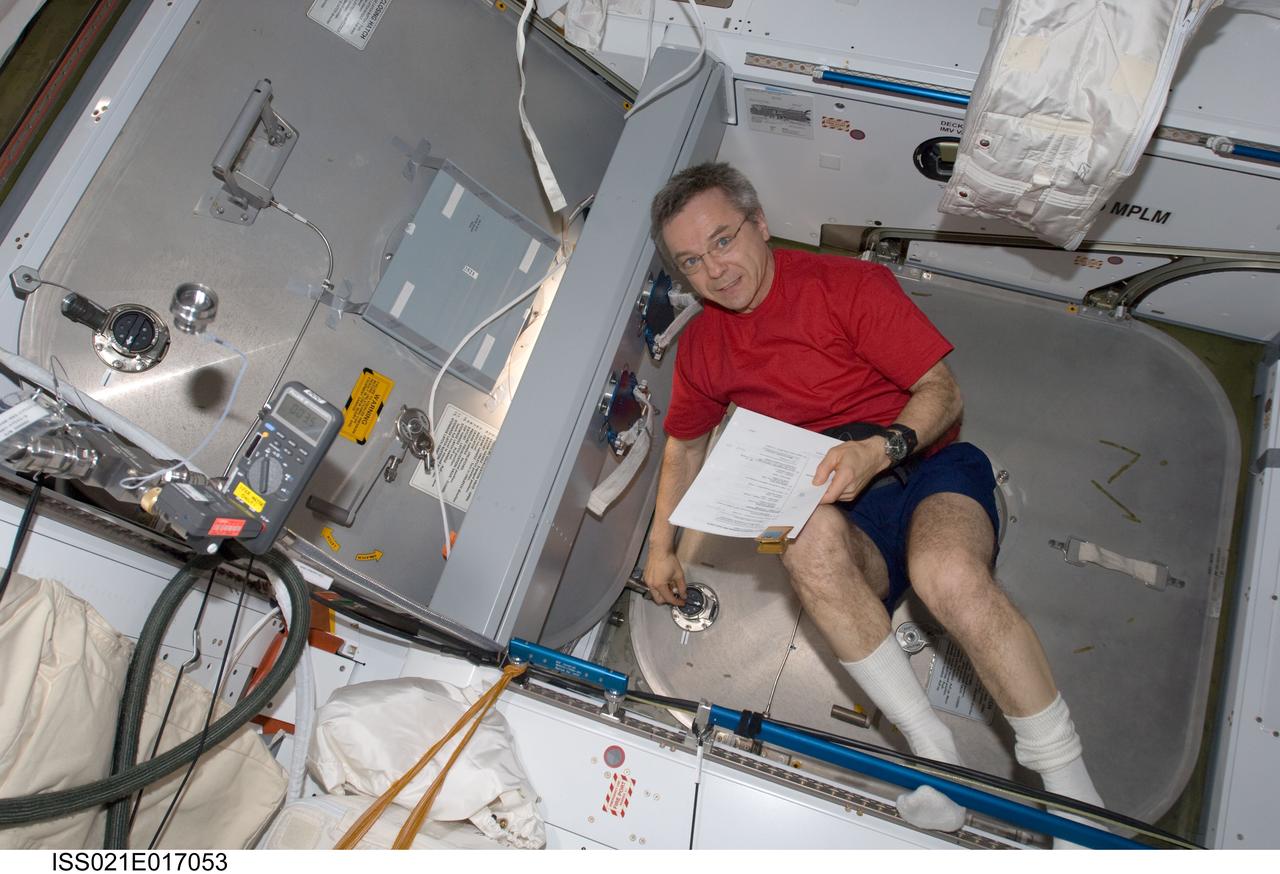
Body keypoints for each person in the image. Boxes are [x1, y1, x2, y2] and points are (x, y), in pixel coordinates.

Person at [642, 162, 1103, 834]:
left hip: (923, 465)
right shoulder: (704, 349)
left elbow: (944, 393)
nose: (713, 271)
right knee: (794, 541)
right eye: (691, 261)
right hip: (834, 506)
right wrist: (663, 549)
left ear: (760, 225)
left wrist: (877, 450)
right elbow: (683, 446)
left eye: (722, 240)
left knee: (944, 573)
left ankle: (1077, 803)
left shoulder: (848, 285)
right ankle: (934, 759)